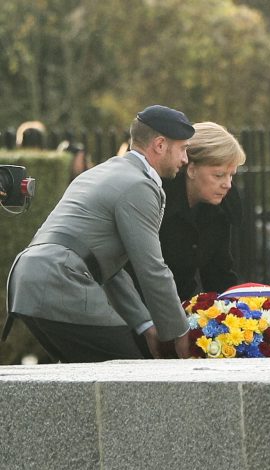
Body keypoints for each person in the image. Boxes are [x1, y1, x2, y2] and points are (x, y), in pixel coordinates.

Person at [3, 105, 195, 362]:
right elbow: (151, 268)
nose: (185, 159)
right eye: (183, 149)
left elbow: (108, 270)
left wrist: (146, 325)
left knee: (87, 382)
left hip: (27, 282)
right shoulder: (139, 186)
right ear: (160, 145)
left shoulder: (101, 172)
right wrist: (179, 332)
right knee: (127, 376)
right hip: (61, 281)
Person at [156, 121, 245, 300]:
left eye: (231, 175)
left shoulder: (221, 206)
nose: (227, 184)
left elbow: (219, 272)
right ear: (191, 169)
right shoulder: (157, 200)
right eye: (219, 175)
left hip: (180, 302)